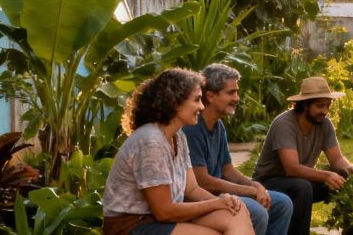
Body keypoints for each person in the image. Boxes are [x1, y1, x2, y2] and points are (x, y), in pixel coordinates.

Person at [103, 68, 254, 235]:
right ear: (175, 103)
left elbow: (192, 190)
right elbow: (164, 211)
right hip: (133, 225)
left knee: (236, 214)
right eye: (197, 100)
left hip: (160, 219)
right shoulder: (151, 141)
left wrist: (227, 202)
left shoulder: (179, 137)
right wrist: (216, 203)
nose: (202, 106)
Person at [184, 64, 293, 235]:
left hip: (222, 193)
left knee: (282, 203)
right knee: (257, 212)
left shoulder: (218, 125)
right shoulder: (193, 127)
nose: (237, 98)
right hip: (203, 198)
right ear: (210, 96)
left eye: (236, 92)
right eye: (231, 92)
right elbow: (201, 181)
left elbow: (227, 169)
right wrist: (249, 192)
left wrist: (254, 185)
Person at [251, 77, 353, 235]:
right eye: (319, 106)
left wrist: (350, 169)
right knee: (302, 187)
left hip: (301, 181)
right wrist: (325, 175)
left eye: (328, 106)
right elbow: (291, 168)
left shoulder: (325, 124)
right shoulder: (284, 124)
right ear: (304, 104)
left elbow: (336, 159)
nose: (325, 111)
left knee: (344, 177)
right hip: (268, 183)